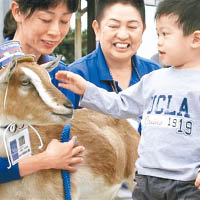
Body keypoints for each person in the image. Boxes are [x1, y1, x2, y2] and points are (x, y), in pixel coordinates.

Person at [55, 0, 200, 199]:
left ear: (195, 39)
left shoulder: (161, 73)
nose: (159, 42)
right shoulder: (153, 80)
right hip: (145, 179)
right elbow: (119, 104)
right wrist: (86, 89)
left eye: (166, 35)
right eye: (158, 34)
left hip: (187, 184)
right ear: (97, 28)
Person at [0, 0, 85, 184]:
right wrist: (43, 161)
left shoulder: (64, 76)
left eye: (64, 21)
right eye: (45, 19)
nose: (55, 31)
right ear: (17, 11)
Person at [51, 0, 161, 111]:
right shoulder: (74, 76)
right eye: (113, 26)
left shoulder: (155, 73)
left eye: (132, 27)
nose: (123, 35)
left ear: (143, 31)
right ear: (97, 29)